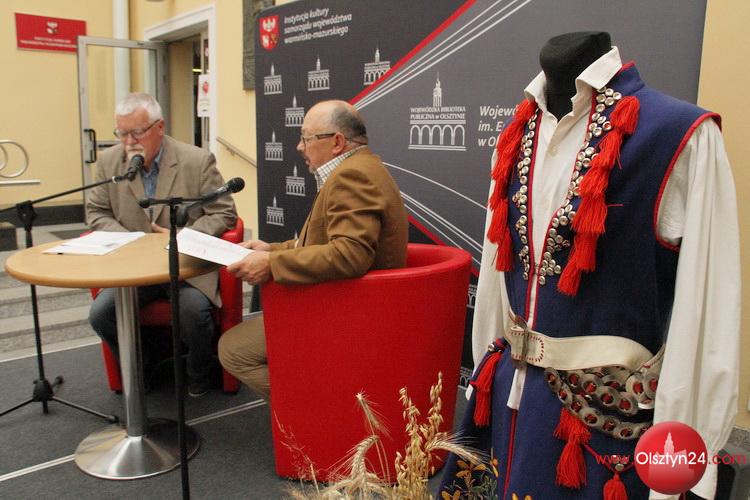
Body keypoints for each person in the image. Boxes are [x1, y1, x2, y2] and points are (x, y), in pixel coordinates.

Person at [439, 32, 740, 499]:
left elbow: (707, 304)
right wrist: (486, 381)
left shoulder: (679, 135)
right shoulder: (516, 135)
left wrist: (685, 456)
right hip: (510, 400)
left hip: (605, 424)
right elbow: (500, 267)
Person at [218, 99, 408, 400]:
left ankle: (319, 407)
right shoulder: (360, 167)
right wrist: (271, 249)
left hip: (347, 315)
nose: (299, 147)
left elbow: (350, 255)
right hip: (347, 304)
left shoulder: (352, 176)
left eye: (306, 138)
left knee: (233, 350)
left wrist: (271, 264)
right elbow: (324, 242)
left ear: (337, 142)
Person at [87, 92, 237, 398]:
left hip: (185, 268)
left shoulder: (196, 160)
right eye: (122, 133)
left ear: (159, 127)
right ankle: (141, 369)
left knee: (194, 313)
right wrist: (130, 241)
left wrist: (183, 237)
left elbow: (224, 213)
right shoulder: (109, 162)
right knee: (100, 314)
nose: (129, 142)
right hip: (133, 271)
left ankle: (198, 374)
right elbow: (96, 212)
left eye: (137, 133)